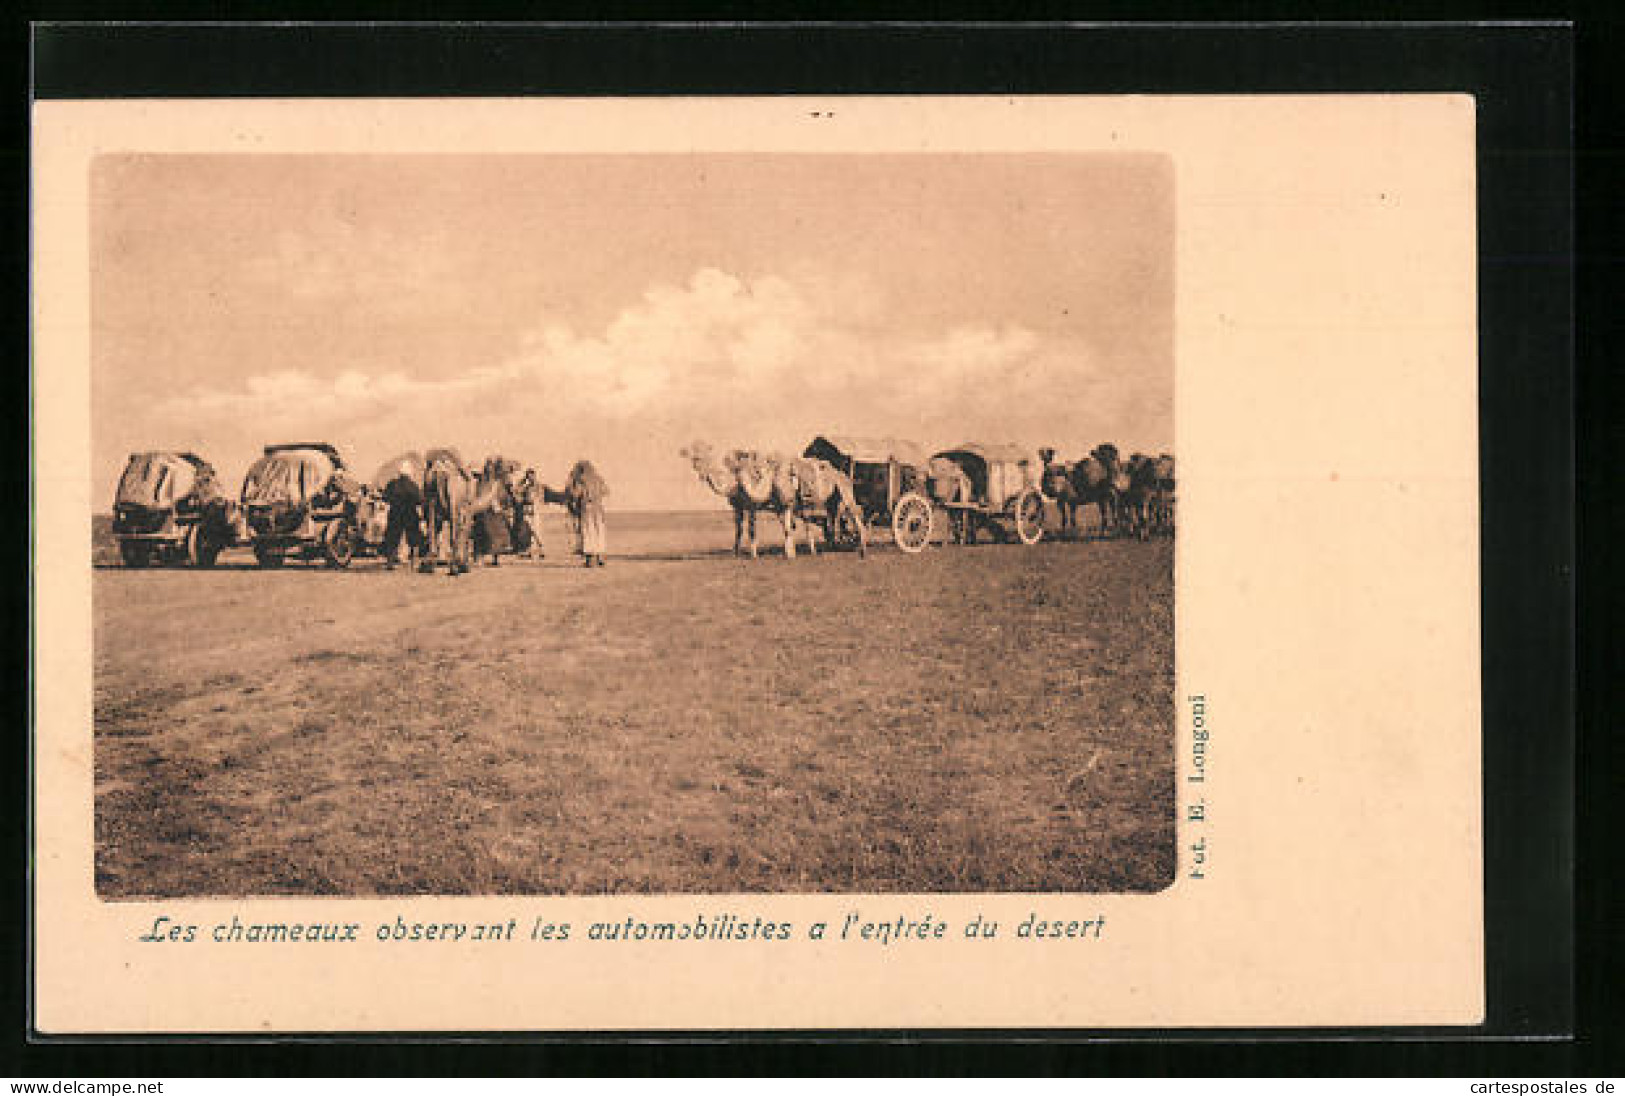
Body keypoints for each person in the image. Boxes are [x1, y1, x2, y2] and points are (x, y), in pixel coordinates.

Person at [564, 460, 609, 568]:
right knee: (599, 532)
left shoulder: (580, 480)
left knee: (588, 532)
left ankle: (591, 560)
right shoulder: (598, 479)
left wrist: (570, 487)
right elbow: (606, 491)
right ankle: (600, 557)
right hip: (598, 509)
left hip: (587, 509)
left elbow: (575, 494)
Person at [381, 470, 425, 569]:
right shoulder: (413, 485)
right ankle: (414, 562)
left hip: (395, 513)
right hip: (410, 513)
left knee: (392, 537)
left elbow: (385, 498)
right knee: (414, 537)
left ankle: (390, 562)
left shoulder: (392, 484)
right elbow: (419, 500)